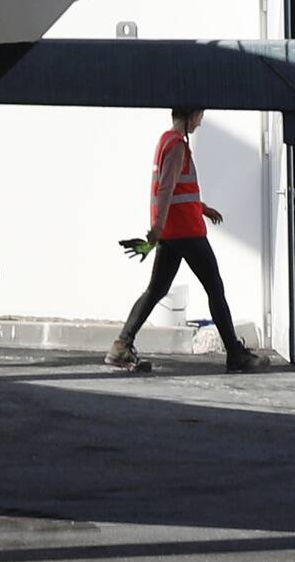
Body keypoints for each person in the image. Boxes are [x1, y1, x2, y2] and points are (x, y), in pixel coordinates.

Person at [109, 106, 254, 374]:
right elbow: (166, 189)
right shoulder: (176, 145)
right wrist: (155, 229)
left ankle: (121, 345)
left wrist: (201, 207)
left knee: (156, 290)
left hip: (173, 233)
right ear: (190, 116)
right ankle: (235, 355)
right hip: (186, 233)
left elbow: (178, 190)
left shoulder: (166, 141)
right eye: (199, 117)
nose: (200, 123)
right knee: (215, 289)